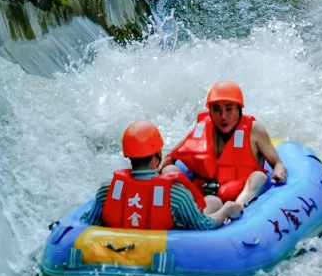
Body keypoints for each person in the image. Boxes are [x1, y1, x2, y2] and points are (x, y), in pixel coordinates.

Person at [86, 120, 240, 231]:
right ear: (158, 153)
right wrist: (227, 209)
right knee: (213, 202)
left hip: (116, 254)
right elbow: (204, 225)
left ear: (128, 156)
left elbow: (87, 223)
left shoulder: (107, 190)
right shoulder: (176, 194)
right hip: (164, 252)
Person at [162, 81, 287, 213]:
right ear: (210, 112)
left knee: (259, 176)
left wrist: (279, 172)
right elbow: (171, 157)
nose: (223, 116)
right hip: (203, 194)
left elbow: (277, 163)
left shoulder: (254, 130)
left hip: (237, 193)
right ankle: (188, 210)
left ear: (238, 109)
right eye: (217, 109)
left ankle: (237, 209)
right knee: (170, 169)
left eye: (229, 109)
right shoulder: (202, 129)